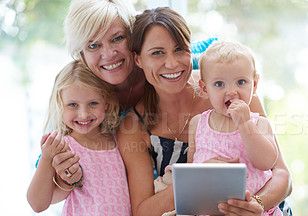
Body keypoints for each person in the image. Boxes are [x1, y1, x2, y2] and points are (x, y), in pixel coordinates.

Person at [117, 7, 295, 216]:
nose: (172, 63)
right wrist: (199, 175)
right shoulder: (136, 125)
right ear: (138, 59)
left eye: (180, 49)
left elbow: (281, 174)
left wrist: (256, 204)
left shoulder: (233, 91)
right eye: (157, 53)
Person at [53, 0, 217, 183]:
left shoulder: (173, 63)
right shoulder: (81, 92)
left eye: (117, 38)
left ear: (133, 37)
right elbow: (54, 148)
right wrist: (62, 169)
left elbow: (219, 54)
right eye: (93, 46)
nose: (108, 54)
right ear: (81, 53)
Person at [187, 40, 294, 216]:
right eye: (219, 84)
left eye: (241, 82)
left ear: (254, 86)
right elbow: (191, 173)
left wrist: (245, 124)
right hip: (210, 212)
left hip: (252, 215)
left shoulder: (259, 124)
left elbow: (267, 162)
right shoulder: (198, 124)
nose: (232, 91)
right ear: (205, 89)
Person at [27, 60, 142, 216]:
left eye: (93, 104)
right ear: (60, 104)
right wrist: (46, 159)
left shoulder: (119, 141)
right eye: (73, 105)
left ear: (106, 103)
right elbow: (38, 203)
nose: (83, 114)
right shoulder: (63, 147)